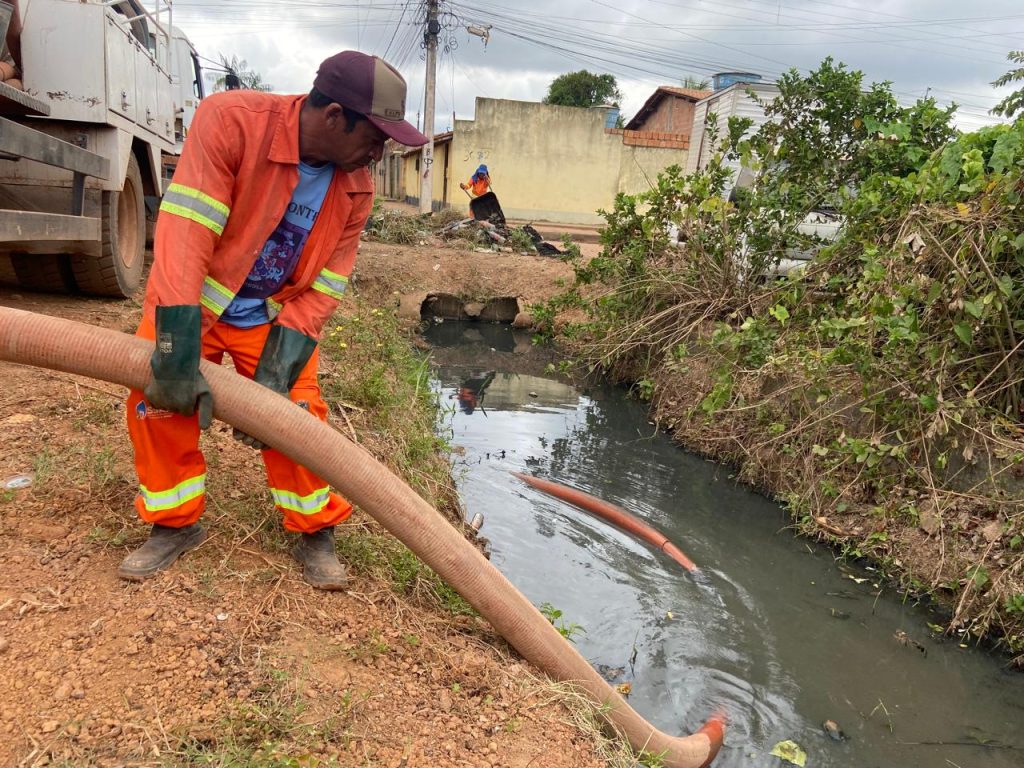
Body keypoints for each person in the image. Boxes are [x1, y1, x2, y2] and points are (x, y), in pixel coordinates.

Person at [118, 51, 428, 589]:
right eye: (375, 137)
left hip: (264, 315)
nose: (379, 152)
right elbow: (186, 234)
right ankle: (174, 523)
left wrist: (278, 369)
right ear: (334, 117)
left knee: (299, 413)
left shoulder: (356, 186)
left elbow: (329, 282)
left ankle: (315, 531)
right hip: (195, 301)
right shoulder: (231, 122)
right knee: (157, 399)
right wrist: (176, 341)